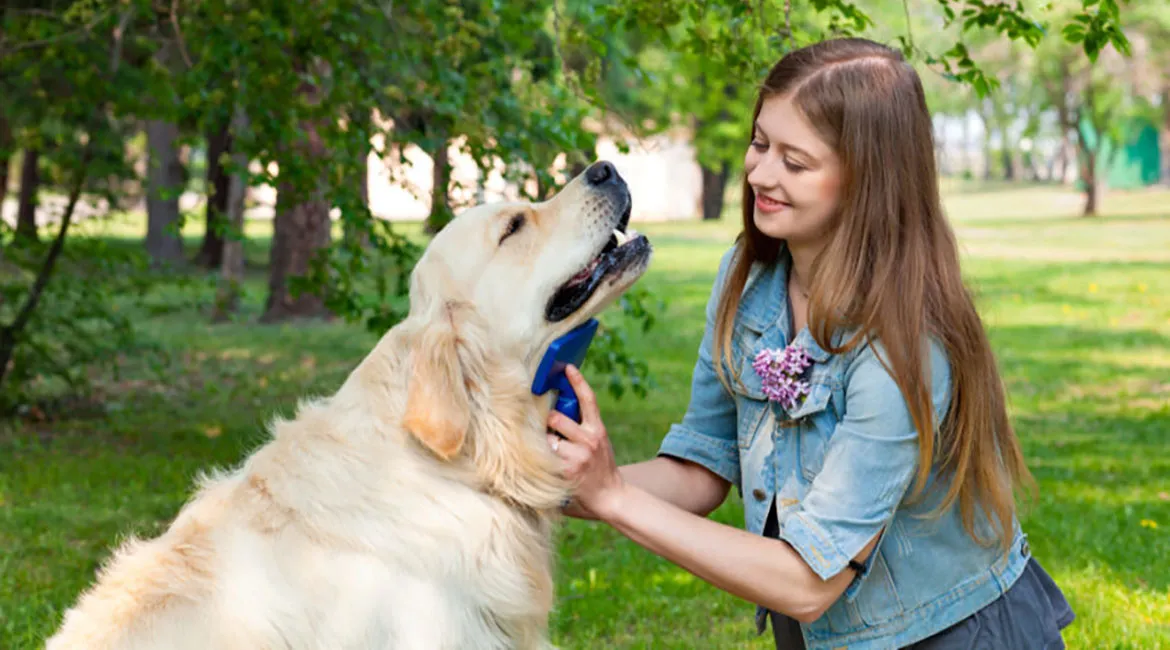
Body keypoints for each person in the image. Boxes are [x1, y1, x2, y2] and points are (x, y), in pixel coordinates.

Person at [545, 38, 1075, 649]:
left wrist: (612, 498)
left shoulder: (905, 345)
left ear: (868, 181)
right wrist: (544, 485)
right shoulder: (747, 278)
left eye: (795, 163)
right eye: (760, 143)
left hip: (947, 635)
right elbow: (698, 471)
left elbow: (808, 582)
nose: (760, 173)